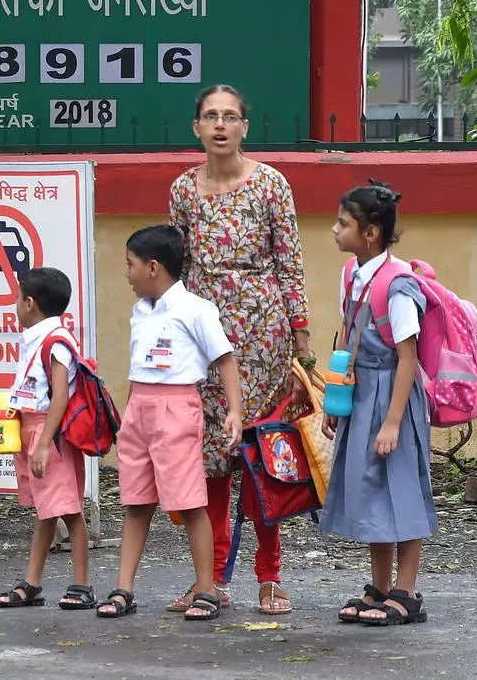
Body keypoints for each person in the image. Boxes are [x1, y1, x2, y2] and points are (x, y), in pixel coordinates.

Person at [168, 84, 312, 616]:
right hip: (202, 339)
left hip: (263, 337)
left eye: (231, 116)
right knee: (211, 462)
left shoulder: (272, 185)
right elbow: (175, 270)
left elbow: (290, 267)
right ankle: (211, 579)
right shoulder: (183, 190)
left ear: (245, 128)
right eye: (211, 116)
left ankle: (269, 576)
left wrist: (302, 344)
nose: (221, 125)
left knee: (261, 457)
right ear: (197, 128)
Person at [97, 225, 243, 622]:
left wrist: (234, 411)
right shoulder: (139, 311)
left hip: (176, 409)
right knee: (136, 502)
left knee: (190, 503)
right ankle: (123, 589)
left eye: (130, 265)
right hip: (140, 409)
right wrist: (127, 418)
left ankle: (207, 590)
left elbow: (225, 360)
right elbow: (138, 370)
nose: (126, 273)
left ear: (153, 267)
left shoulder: (196, 309)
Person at [322, 182, 436, 626]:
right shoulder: (352, 274)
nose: (334, 230)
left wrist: (391, 423)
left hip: (395, 400)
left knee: (401, 490)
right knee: (371, 490)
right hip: (361, 393)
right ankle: (380, 587)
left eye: (343, 223)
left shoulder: (398, 284)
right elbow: (349, 337)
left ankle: (406, 592)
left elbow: (407, 358)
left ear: (370, 233)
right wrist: (337, 401)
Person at [0, 267, 96, 610]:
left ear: (30, 303)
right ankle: (32, 583)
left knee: (68, 509)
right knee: (46, 510)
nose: (15, 305)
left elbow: (61, 398)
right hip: (30, 428)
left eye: (18, 299)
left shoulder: (56, 342)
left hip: (49, 435)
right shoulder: (37, 338)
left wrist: (41, 444)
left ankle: (82, 584)